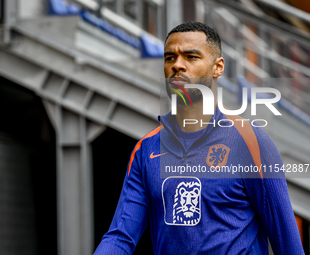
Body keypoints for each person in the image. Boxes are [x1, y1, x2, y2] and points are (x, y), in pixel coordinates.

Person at [93, 21, 304, 254]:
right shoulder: (146, 149)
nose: (177, 65)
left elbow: (288, 244)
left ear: (218, 67)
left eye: (191, 57)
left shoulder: (252, 142)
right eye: (170, 58)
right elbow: (120, 237)